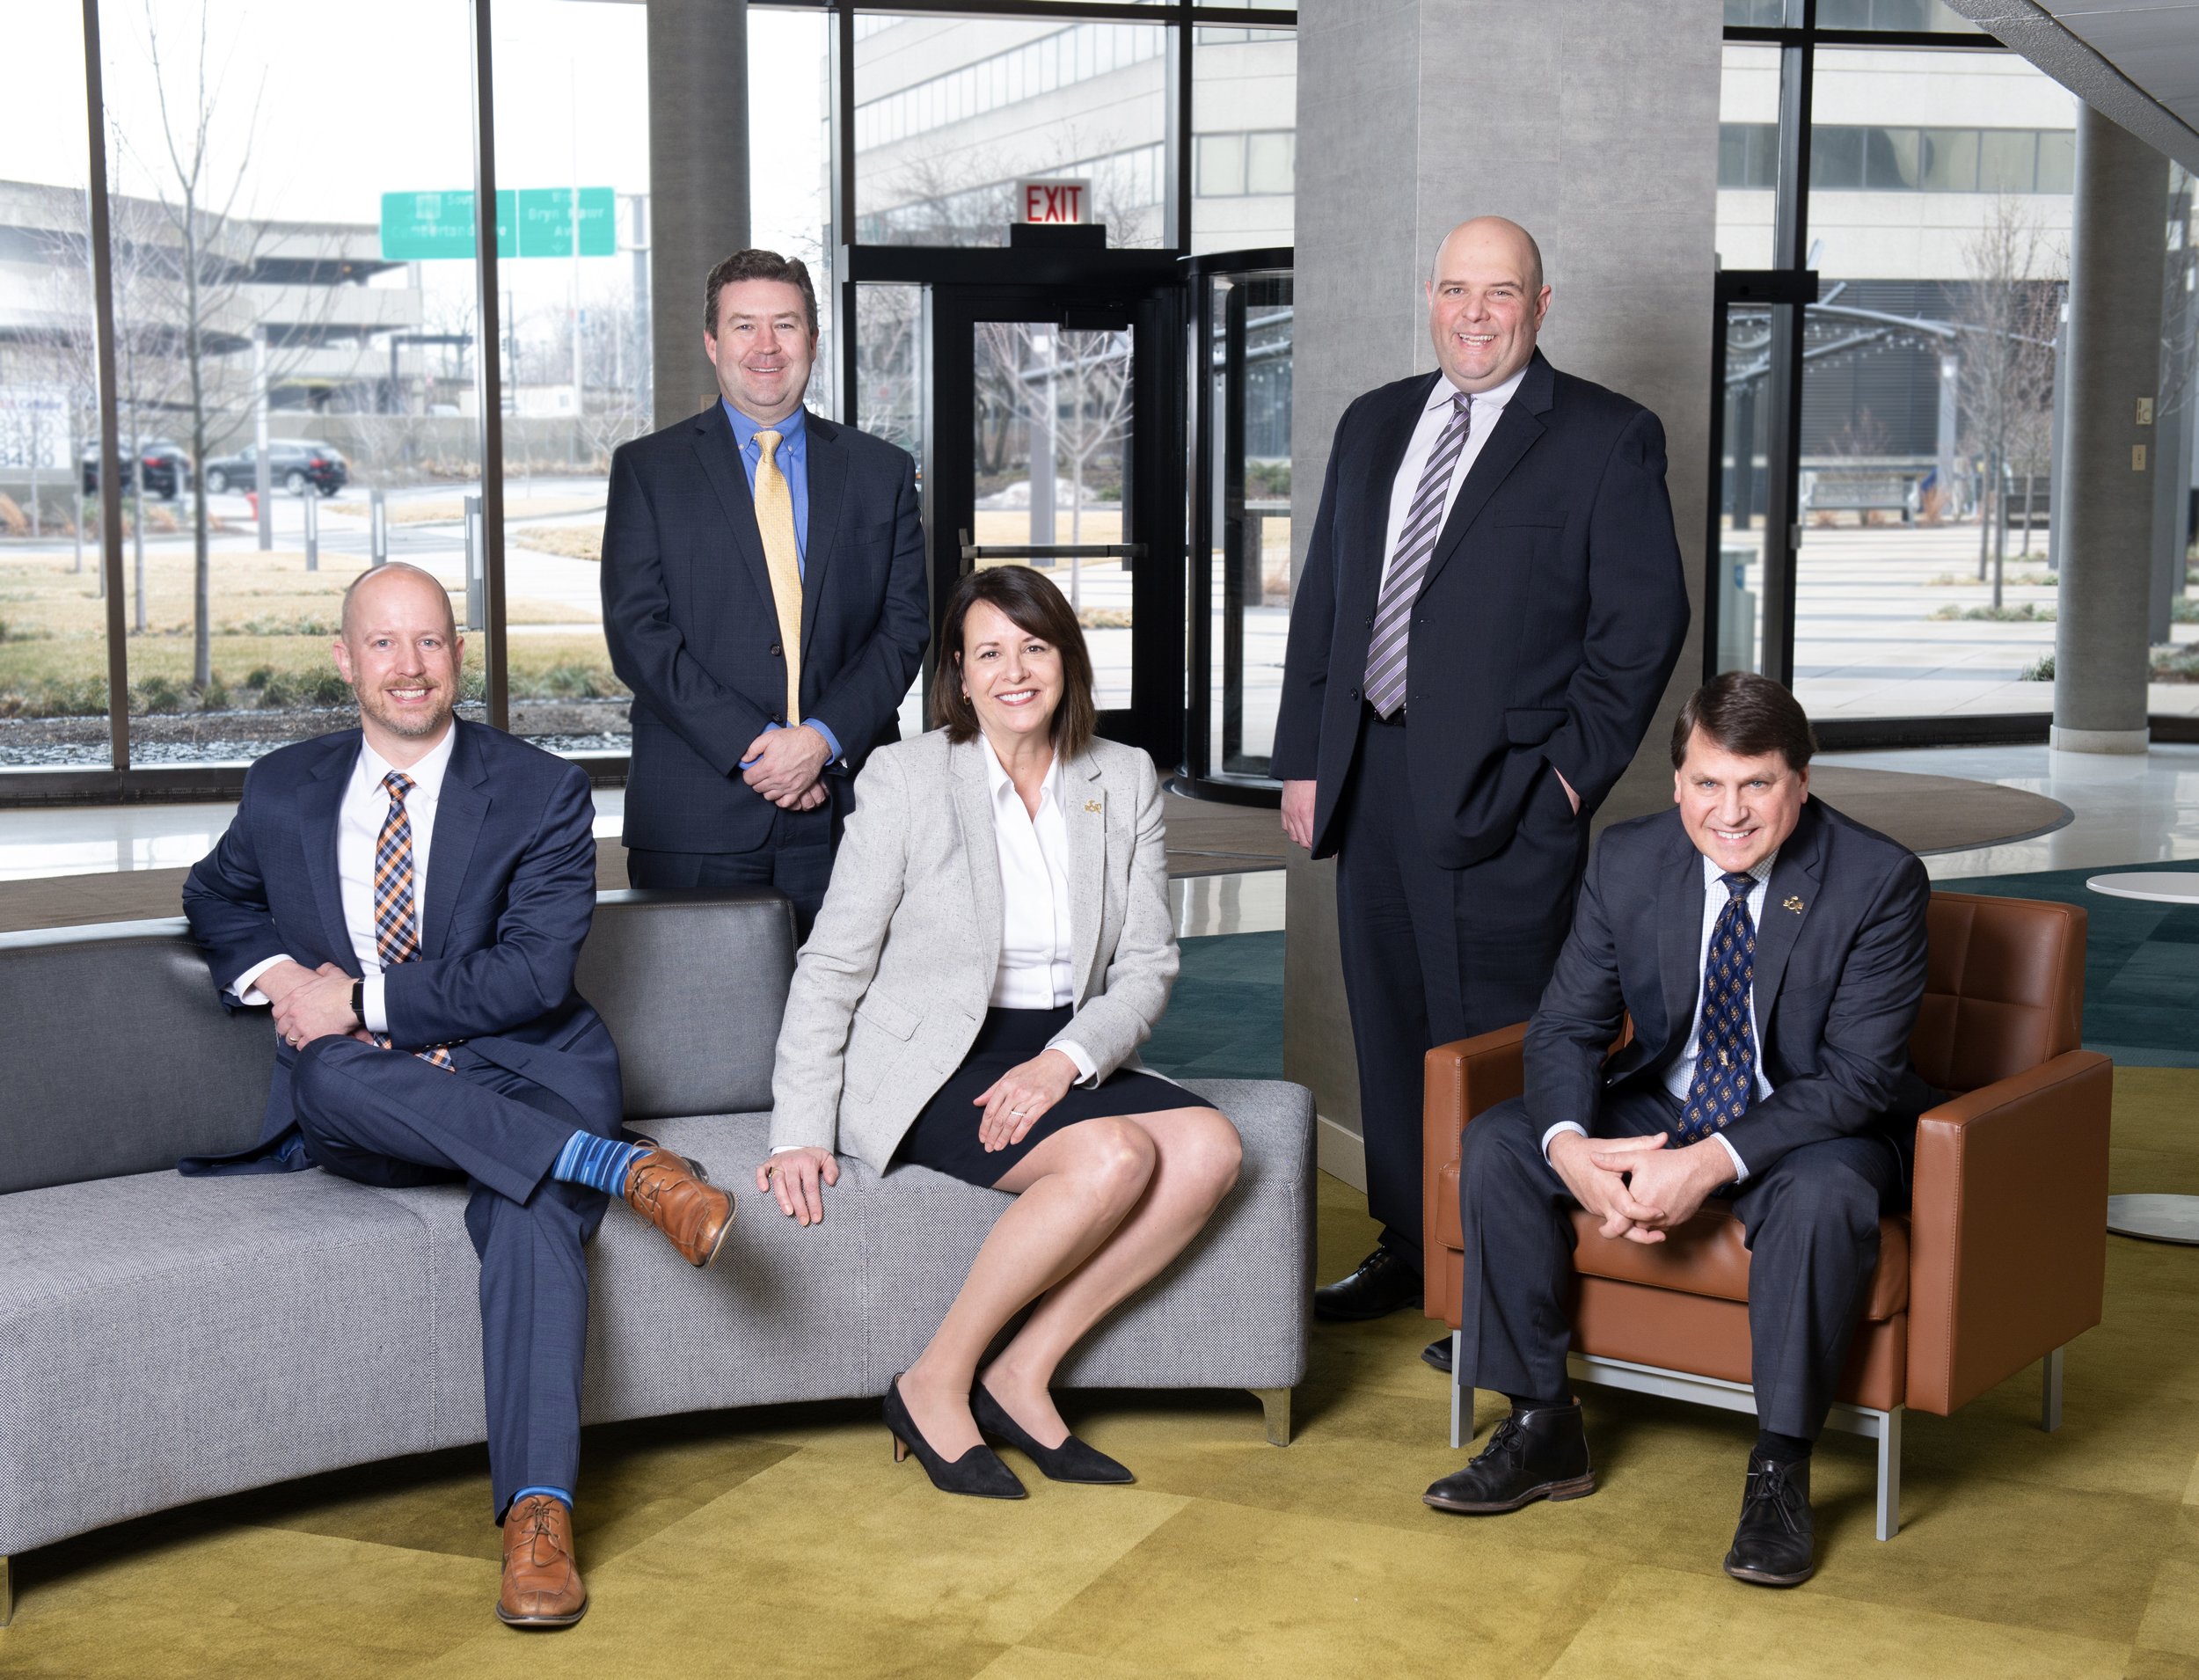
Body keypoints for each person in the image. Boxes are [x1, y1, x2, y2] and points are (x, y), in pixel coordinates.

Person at [179, 561, 736, 1631]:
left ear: (459, 656)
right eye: (382, 643)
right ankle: (619, 1165)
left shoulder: (540, 788)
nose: (408, 666)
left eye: (429, 642)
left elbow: (532, 974)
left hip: (517, 1067)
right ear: (345, 660)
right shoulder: (285, 785)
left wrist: (361, 994)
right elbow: (214, 895)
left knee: (529, 1215)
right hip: (375, 1100)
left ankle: (539, 1517)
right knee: (329, 1068)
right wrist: (288, 981)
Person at [1272, 215, 1690, 1362]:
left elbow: (1643, 628)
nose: (1473, 313)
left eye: (1499, 293)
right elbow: (1330, 602)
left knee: (1497, 1042)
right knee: (1396, 1027)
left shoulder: (1607, 437)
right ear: (1431, 293)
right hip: (1371, 774)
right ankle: (1414, 1243)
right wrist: (1306, 758)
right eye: (1456, 289)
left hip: (1507, 792)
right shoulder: (1375, 423)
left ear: (1541, 305)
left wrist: (1562, 780)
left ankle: (1493, 1272)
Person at [1424, 672, 1935, 1588]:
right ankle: (1544, 1423)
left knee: (1824, 1196)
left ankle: (1779, 1468)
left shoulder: (1877, 879)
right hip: (1667, 1099)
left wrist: (1709, 1162)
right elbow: (1570, 1026)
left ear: (1800, 781)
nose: (1728, 812)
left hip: (1811, 1120)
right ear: (1676, 783)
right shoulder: (1628, 859)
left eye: (1756, 784)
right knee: (1506, 1143)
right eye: (1707, 782)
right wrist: (1573, 1147)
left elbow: (1858, 1077)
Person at [761, 565, 1244, 1498]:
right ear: (959, 671)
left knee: (1211, 1147)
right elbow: (832, 963)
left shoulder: (1122, 774)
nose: (1014, 670)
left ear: (1065, 658)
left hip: (1062, 1041)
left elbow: (1145, 965)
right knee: (1110, 1156)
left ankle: (1023, 1372)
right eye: (989, 652)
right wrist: (797, 1127)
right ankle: (933, 1378)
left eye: (1034, 646)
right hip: (933, 1055)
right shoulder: (906, 778)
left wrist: (1063, 1059)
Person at [602, 248, 929, 936]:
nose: (766, 346)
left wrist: (820, 740)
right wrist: (761, 748)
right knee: (696, 1034)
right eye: (745, 326)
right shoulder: (648, 471)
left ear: (813, 338)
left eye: (785, 324)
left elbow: (903, 629)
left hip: (849, 807)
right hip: (697, 813)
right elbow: (639, 636)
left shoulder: (882, 472)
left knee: (855, 1026)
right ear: (713, 342)